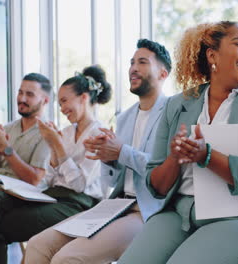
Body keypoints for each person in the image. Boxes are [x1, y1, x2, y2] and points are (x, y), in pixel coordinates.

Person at [118, 21, 238, 264]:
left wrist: (206, 156)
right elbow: (155, 187)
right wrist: (175, 158)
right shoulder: (177, 104)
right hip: (179, 213)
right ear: (213, 55)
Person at [25, 39, 172, 264]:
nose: (133, 68)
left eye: (142, 62)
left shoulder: (173, 112)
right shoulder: (124, 118)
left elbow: (163, 168)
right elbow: (111, 180)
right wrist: (108, 158)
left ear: (163, 73)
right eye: (131, 62)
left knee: (67, 258)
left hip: (147, 209)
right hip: (117, 204)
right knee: (37, 244)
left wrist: (120, 151)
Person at [0, 65, 112, 263]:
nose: (62, 109)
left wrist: (56, 146)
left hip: (80, 204)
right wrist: (55, 150)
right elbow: (51, 177)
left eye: (65, 101)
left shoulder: (99, 134)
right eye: (60, 103)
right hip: (53, 197)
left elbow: (79, 185)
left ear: (84, 98)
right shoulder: (67, 132)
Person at [0, 73, 51, 184]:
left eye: (30, 95)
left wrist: (5, 147)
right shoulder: (7, 128)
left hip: (20, 196)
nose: (22, 98)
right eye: (20, 92)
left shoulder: (48, 134)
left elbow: (34, 180)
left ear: (45, 101)